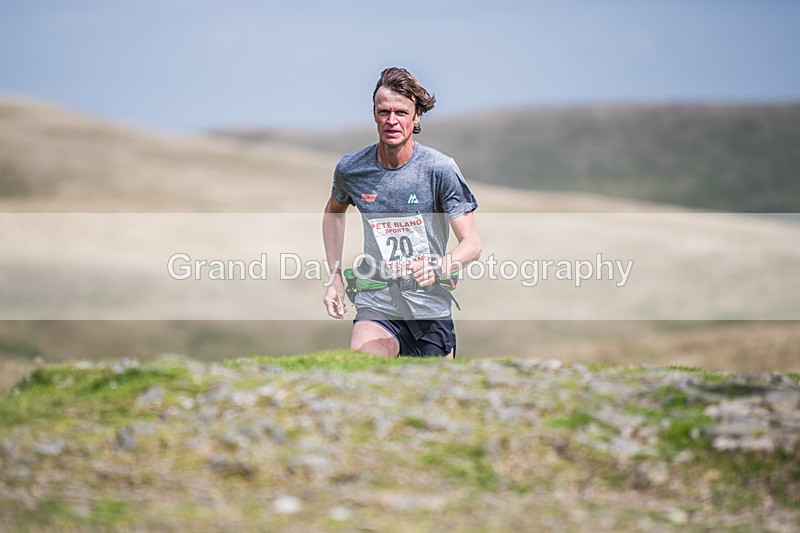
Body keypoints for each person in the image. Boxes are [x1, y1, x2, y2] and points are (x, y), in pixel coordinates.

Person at [322, 67, 481, 358]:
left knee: (432, 399)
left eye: (401, 112)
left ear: (417, 116)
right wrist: (334, 277)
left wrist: (439, 266)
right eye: (383, 112)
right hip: (377, 303)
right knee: (364, 366)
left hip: (429, 308)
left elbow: (472, 245)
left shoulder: (439, 169)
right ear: (374, 114)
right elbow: (333, 212)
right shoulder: (352, 169)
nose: (391, 121)